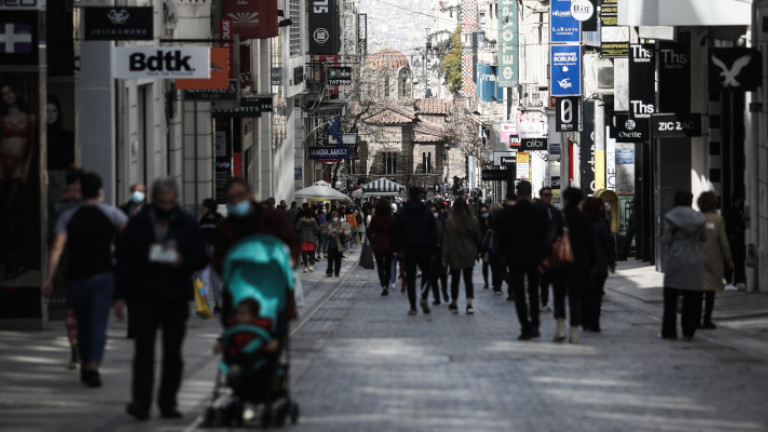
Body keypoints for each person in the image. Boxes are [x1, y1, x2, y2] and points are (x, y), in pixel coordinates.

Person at [114, 178, 206, 420]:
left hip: (175, 296)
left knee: (172, 353)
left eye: (170, 202)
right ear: (154, 200)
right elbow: (125, 262)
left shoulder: (186, 223)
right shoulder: (138, 224)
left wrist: (182, 262)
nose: (166, 206)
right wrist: (120, 296)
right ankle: (141, 403)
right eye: (161, 202)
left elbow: (200, 256)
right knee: (143, 352)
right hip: (143, 296)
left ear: (176, 200)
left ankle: (167, 402)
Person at [42, 172, 128, 387]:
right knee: (98, 323)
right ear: (100, 191)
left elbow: (57, 247)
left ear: (81, 192)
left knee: (82, 323)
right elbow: (131, 239)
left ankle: (84, 360)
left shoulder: (68, 216)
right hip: (103, 276)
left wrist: (49, 277)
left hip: (77, 277)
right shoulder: (112, 213)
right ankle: (93, 365)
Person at [213, 178, 300, 314]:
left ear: (250, 194)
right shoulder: (226, 227)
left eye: (240, 195)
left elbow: (291, 241)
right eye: (231, 198)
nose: (236, 201)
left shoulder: (273, 217)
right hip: (241, 288)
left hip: (273, 284)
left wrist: (290, 261)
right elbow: (219, 258)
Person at [494, 181, 549, 340]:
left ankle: (525, 326)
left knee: (519, 294)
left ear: (517, 193)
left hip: (515, 258)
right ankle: (535, 324)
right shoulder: (539, 212)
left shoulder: (508, 213)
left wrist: (503, 256)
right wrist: (543, 257)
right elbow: (546, 236)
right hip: (535, 258)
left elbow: (500, 236)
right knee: (533, 292)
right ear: (531, 193)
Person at [660, 191, 707, 341]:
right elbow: (704, 238)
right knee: (693, 297)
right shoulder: (699, 218)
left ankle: (669, 331)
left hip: (676, 259)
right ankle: (689, 330)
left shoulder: (670, 217)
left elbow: (665, 239)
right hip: (694, 258)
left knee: (670, 297)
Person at [1, 83, 36, 280]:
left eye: (9, 92)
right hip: (3, 162)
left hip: (19, 164)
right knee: (5, 212)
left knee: (12, 209)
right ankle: (8, 259)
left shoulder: (29, 118)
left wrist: (27, 168)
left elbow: (31, 147)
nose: (7, 96)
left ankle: (14, 259)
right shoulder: (2, 119)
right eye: (3, 94)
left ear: (16, 93)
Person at [551, 187, 595, 344]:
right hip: (578, 264)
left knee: (559, 296)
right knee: (576, 298)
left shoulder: (558, 216)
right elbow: (591, 244)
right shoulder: (584, 218)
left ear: (566, 199)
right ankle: (574, 332)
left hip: (560, 263)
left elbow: (551, 239)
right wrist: (592, 263)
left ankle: (560, 327)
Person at [392, 187, 437, 316]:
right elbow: (433, 232)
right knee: (427, 274)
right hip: (425, 248)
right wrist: (434, 250)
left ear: (409, 196)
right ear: (421, 196)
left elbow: (397, 232)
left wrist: (397, 249)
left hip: (408, 248)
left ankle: (413, 307)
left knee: (410, 278)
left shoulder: (403, 212)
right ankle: (423, 296)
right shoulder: (427, 212)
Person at [698, 191, 733, 329]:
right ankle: (707, 319)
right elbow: (724, 242)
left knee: (698, 291)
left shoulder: (696, 219)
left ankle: (695, 318)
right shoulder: (718, 220)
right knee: (710, 291)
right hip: (713, 260)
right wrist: (729, 259)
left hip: (697, 259)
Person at [442, 198, 482, 315]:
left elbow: (446, 241)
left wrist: (444, 257)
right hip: (469, 253)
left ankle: (454, 304)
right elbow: (478, 237)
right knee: (468, 280)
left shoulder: (450, 221)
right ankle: (469, 304)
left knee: (455, 280)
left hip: (455, 254)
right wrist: (479, 251)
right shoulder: (473, 220)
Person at [582, 197, 616, 333]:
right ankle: (594, 323)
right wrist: (611, 262)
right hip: (600, 265)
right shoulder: (602, 224)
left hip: (584, 265)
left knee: (585, 295)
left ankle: (585, 320)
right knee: (596, 296)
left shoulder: (581, 223)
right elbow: (608, 245)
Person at [199, 199, 224, 313]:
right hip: (203, 252)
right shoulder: (200, 220)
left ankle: (217, 303)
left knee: (216, 281)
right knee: (203, 280)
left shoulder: (220, 220)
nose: (201, 209)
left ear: (209, 208)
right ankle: (203, 305)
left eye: (203, 207)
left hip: (216, 252)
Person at [537, 187, 558, 311]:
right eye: (546, 195)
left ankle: (548, 301)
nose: (548, 197)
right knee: (543, 279)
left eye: (550, 195)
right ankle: (543, 302)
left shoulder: (554, 210)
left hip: (553, 249)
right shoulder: (537, 210)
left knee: (552, 278)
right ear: (541, 196)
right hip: (541, 250)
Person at [368, 199, 395, 296]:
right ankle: (386, 285)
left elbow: (369, 231)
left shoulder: (375, 218)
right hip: (389, 245)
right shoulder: (391, 218)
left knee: (380, 266)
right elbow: (395, 232)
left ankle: (383, 285)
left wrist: (371, 239)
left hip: (377, 245)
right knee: (388, 266)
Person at [724, 194, 746, 290]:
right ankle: (729, 282)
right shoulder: (731, 211)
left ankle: (738, 281)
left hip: (737, 240)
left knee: (738, 260)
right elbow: (729, 224)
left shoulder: (737, 210)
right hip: (734, 240)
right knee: (733, 259)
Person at [429, 202, 449, 303]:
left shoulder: (444, 222)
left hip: (442, 253)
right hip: (432, 254)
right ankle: (437, 297)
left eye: (435, 211)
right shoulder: (428, 223)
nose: (434, 213)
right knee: (433, 277)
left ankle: (444, 292)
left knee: (443, 276)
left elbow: (447, 239)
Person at [322, 211, 350, 277]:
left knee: (338, 260)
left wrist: (342, 232)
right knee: (330, 259)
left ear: (338, 217)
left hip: (339, 245)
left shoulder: (341, 224)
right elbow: (323, 232)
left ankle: (337, 272)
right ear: (331, 218)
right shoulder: (329, 224)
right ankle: (329, 272)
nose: (335, 218)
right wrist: (328, 233)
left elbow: (348, 232)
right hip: (330, 245)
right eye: (333, 217)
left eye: (336, 217)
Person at [295, 208, 321, 273]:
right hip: (311, 238)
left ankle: (305, 267)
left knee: (304, 253)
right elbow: (317, 229)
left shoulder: (301, 220)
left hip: (303, 238)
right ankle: (311, 266)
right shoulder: (313, 220)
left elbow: (297, 228)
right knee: (311, 253)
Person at [478, 205, 492, 290]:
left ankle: (495, 283)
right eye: (482, 212)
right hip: (484, 247)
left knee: (493, 265)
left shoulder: (492, 221)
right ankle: (486, 282)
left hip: (491, 246)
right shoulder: (479, 222)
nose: (484, 213)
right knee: (485, 265)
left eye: (485, 212)